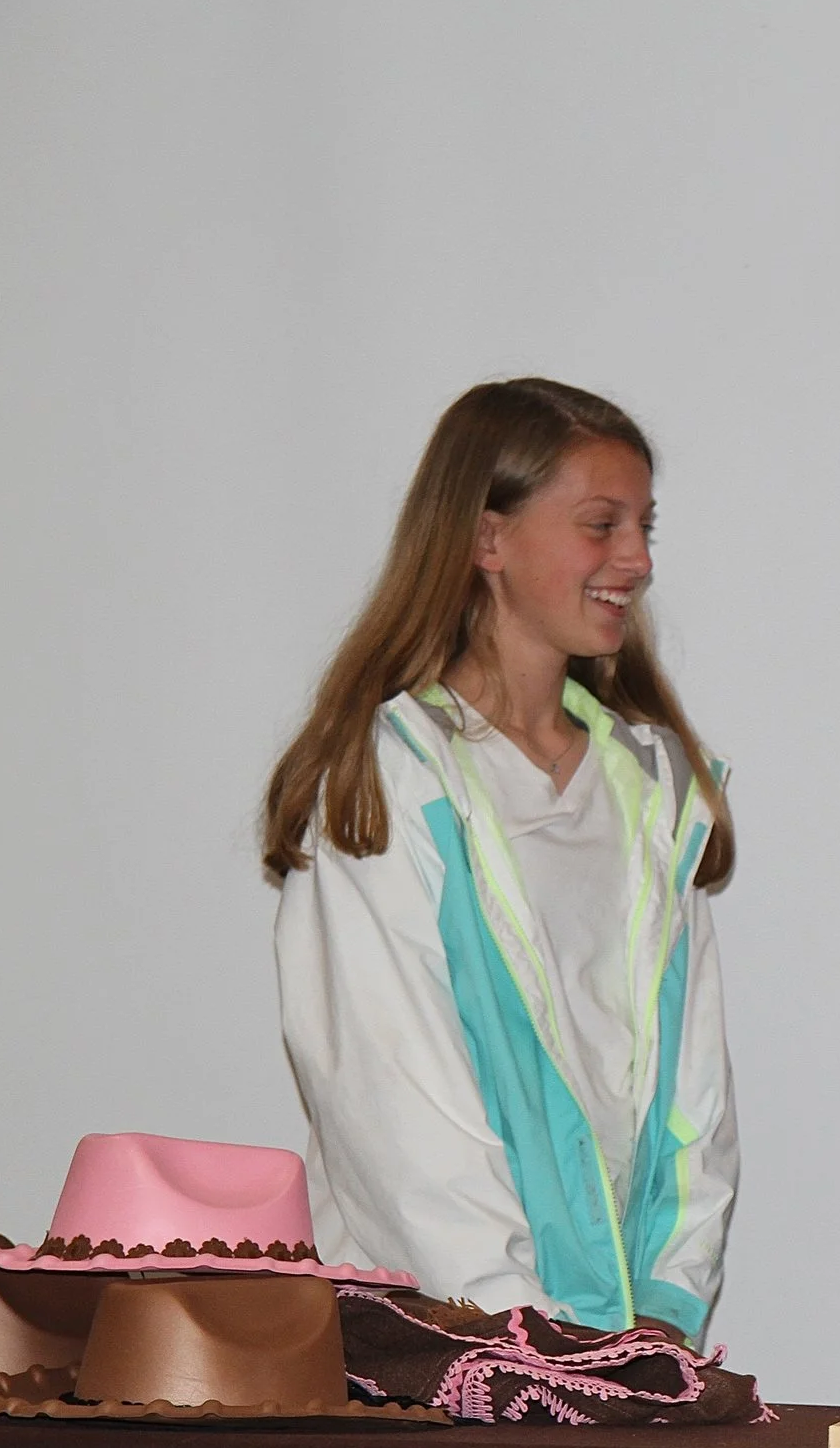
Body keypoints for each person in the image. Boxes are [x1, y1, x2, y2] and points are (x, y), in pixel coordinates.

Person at [264, 378, 739, 1348]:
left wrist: (660, 1312)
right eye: (601, 524)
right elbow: (394, 1102)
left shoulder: (653, 786)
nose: (638, 558)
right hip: (440, 1340)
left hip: (611, 1348)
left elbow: (694, 1096)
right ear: (488, 538)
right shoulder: (394, 775)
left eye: (644, 525)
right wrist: (521, 1328)